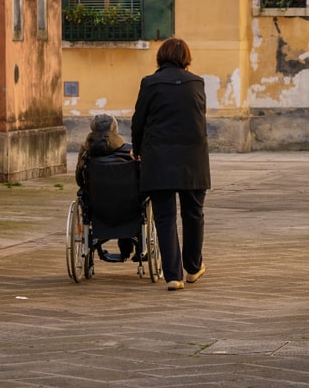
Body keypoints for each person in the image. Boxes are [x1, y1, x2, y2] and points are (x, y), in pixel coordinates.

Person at [131, 37, 211, 291]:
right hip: (193, 159)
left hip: (158, 158)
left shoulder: (150, 83)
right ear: (186, 58)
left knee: (165, 217)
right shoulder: (197, 83)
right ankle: (194, 267)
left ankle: (173, 276)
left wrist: (137, 148)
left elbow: (139, 120)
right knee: (193, 214)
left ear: (160, 57)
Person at [75, 114, 136, 262]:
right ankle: (128, 246)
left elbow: (79, 179)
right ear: (115, 129)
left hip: (98, 208)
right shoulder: (129, 151)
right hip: (129, 208)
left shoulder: (86, 154)